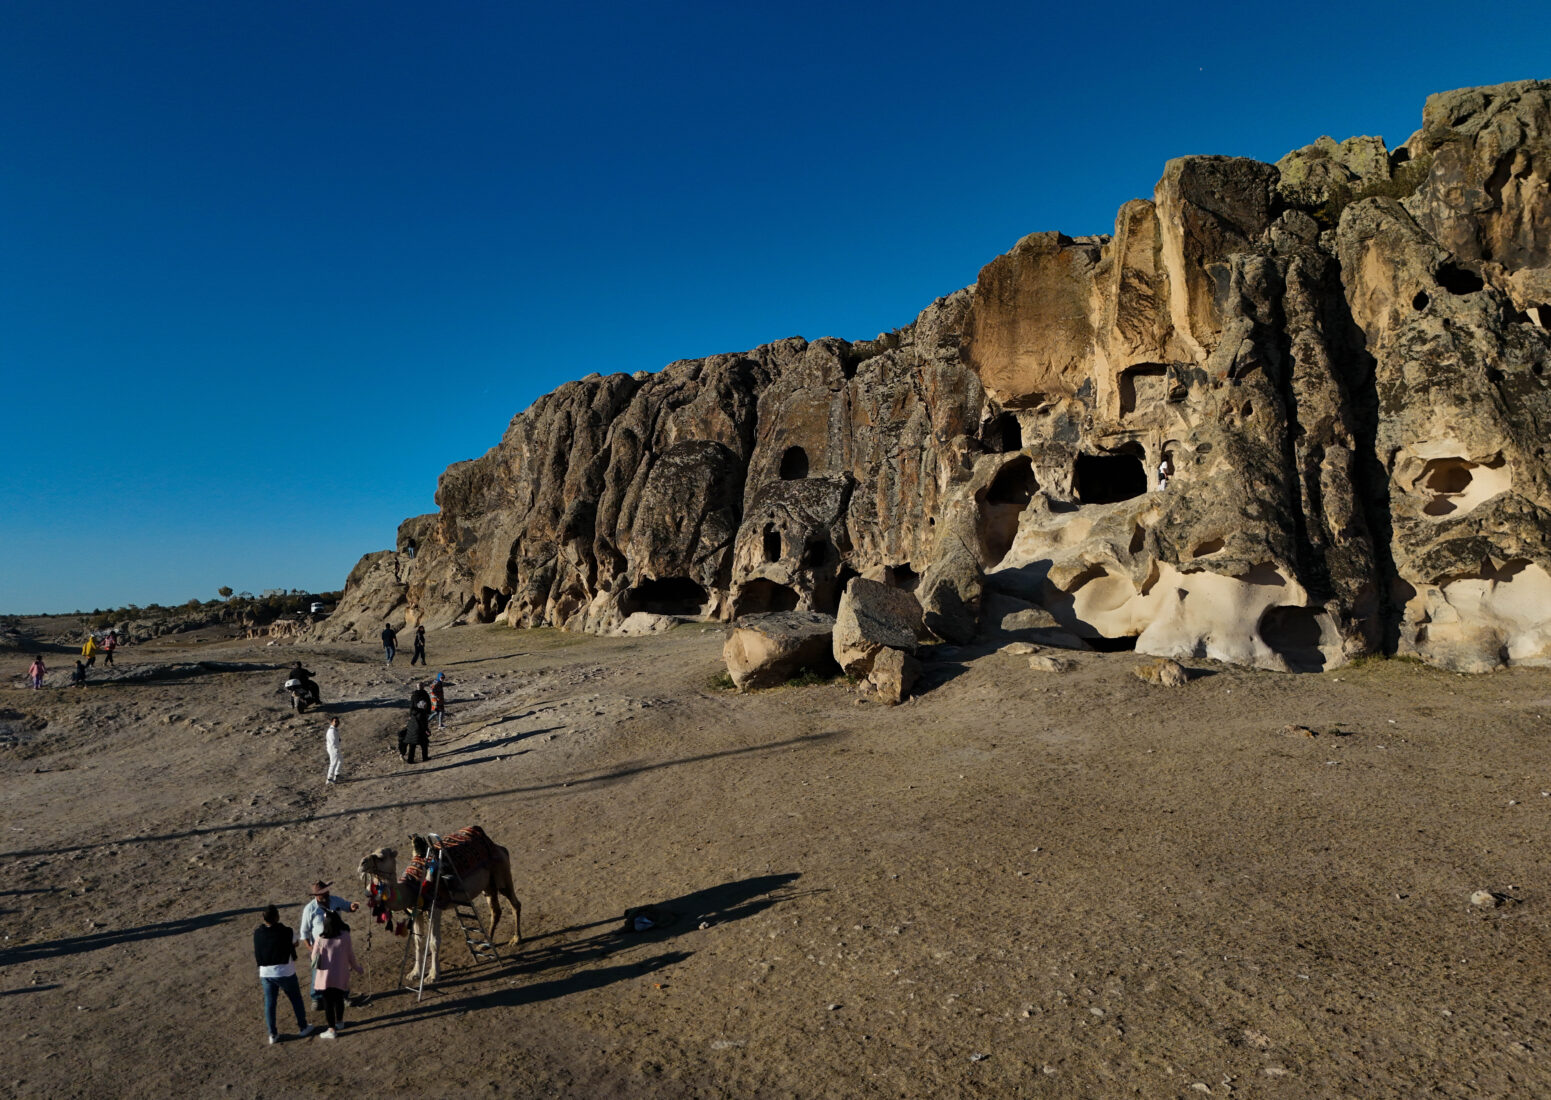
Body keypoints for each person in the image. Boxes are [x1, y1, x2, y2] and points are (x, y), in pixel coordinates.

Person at [254, 903, 318, 1045]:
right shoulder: (286, 931)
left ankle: (272, 1033)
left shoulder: (257, 933)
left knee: (270, 1003)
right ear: (277, 916)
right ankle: (303, 1027)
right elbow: (295, 943)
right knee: (295, 999)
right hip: (285, 971)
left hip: (265, 973)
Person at [299, 881, 360, 1009]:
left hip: (338, 944)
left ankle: (343, 996)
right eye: (322, 893)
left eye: (326, 891)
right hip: (320, 948)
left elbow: (347, 906)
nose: (326, 894)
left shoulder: (335, 900)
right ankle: (317, 999)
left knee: (341, 970)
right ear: (316, 895)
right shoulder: (310, 909)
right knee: (318, 973)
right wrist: (312, 950)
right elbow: (304, 933)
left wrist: (352, 906)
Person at [310, 909, 364, 1039]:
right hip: (341, 975)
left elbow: (313, 958)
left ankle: (331, 1029)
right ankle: (340, 1022)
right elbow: (351, 956)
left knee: (328, 1004)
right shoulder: (345, 936)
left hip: (325, 978)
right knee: (339, 1000)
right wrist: (357, 968)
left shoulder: (320, 939)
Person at [405, 683, 432, 762]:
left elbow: (411, 706)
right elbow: (424, 724)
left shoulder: (415, 696)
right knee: (424, 743)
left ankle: (410, 759)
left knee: (413, 744)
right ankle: (424, 757)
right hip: (419, 729)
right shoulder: (423, 695)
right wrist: (426, 729)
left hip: (413, 727)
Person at [324, 717, 342, 785]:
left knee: (341, 760)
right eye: (335, 721)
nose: (337, 723)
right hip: (333, 749)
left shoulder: (335, 730)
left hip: (336, 748)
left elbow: (336, 739)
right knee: (333, 763)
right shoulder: (331, 731)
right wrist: (336, 750)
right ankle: (329, 779)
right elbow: (332, 742)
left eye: (337, 721)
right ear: (331, 722)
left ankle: (337, 775)